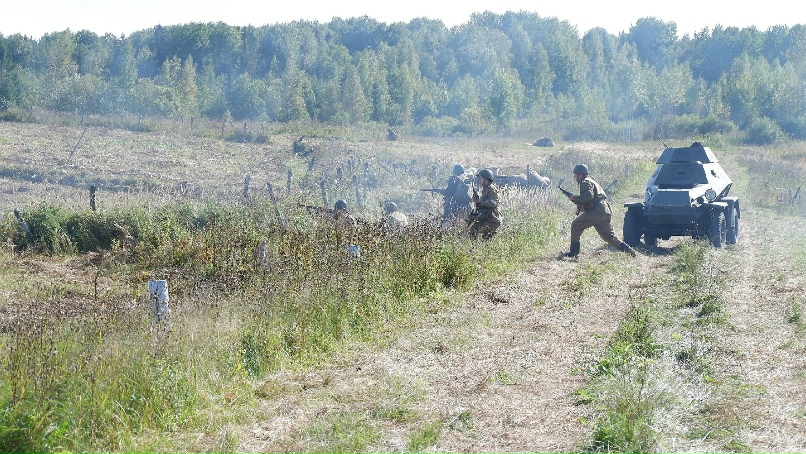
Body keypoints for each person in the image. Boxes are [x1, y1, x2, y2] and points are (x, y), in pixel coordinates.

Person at [561, 164, 636, 258]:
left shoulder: (584, 182)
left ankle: (573, 252)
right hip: (605, 210)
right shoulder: (591, 181)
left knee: (576, 225)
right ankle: (630, 252)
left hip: (597, 211)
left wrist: (574, 198)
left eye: (575, 174)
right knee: (609, 237)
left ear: (580, 175)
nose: (574, 176)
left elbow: (588, 197)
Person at [467, 168, 502, 239]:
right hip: (487, 217)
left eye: (480, 178)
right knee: (476, 231)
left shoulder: (491, 189)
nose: (479, 180)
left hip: (492, 219)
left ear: (486, 179)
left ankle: (474, 246)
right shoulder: (486, 188)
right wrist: (477, 200)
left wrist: (480, 202)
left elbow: (494, 203)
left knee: (474, 230)